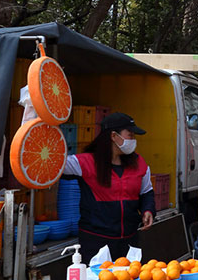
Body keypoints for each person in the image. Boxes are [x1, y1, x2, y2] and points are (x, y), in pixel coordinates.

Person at [62, 112, 154, 262]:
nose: (133, 140)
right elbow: (54, 165)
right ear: (113, 136)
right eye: (130, 135)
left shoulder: (139, 163)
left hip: (129, 241)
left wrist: (148, 210)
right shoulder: (85, 162)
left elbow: (147, 191)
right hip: (96, 243)